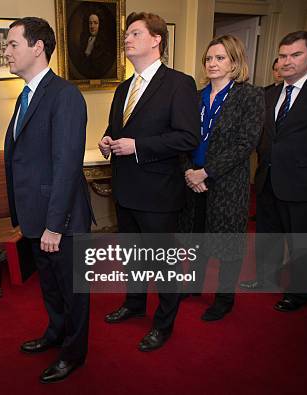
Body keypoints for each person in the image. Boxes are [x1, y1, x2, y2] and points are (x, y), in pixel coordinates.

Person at [98, 12, 199, 351]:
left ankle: (164, 324)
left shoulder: (178, 84)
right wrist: (107, 140)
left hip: (158, 192)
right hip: (125, 188)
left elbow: (187, 137)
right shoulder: (123, 88)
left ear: (156, 39)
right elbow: (118, 130)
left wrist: (138, 146)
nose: (127, 38)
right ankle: (134, 304)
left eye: (135, 33)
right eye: (127, 34)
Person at [3, 17, 94, 383]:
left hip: (61, 221)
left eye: (12, 44)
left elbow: (67, 164)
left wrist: (55, 225)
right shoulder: (26, 96)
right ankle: (56, 333)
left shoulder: (65, 95)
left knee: (73, 292)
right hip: (35, 216)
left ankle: (74, 353)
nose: (6, 52)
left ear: (37, 47)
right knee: (51, 287)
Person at [178, 35, 264, 321]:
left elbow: (246, 143)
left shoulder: (249, 96)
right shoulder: (195, 96)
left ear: (235, 62)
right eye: (209, 58)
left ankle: (225, 298)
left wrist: (206, 171)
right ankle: (194, 285)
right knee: (198, 237)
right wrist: (190, 171)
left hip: (227, 182)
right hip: (194, 180)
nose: (212, 63)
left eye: (220, 58)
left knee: (228, 243)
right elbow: (184, 138)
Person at [249, 31, 307, 311]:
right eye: (283, 56)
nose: (287, 61)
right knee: (267, 235)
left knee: (301, 243)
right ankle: (264, 279)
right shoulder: (269, 93)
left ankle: (299, 293)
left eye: (296, 55)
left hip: (306, 184)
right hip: (268, 178)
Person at [73, 12, 115, 79]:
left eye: (95, 23)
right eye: (90, 23)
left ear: (100, 25)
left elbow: (101, 67)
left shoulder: (106, 45)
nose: (92, 26)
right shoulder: (84, 41)